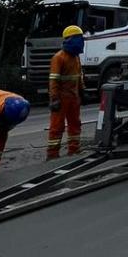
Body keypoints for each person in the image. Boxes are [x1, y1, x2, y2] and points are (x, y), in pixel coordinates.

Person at [47, 25, 85, 160]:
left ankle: (74, 150)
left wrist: (82, 90)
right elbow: (53, 80)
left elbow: (79, 75)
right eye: (79, 38)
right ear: (70, 39)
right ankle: (52, 154)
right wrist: (54, 98)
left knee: (75, 124)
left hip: (73, 97)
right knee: (57, 126)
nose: (82, 42)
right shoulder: (59, 58)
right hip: (61, 98)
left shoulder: (76, 57)